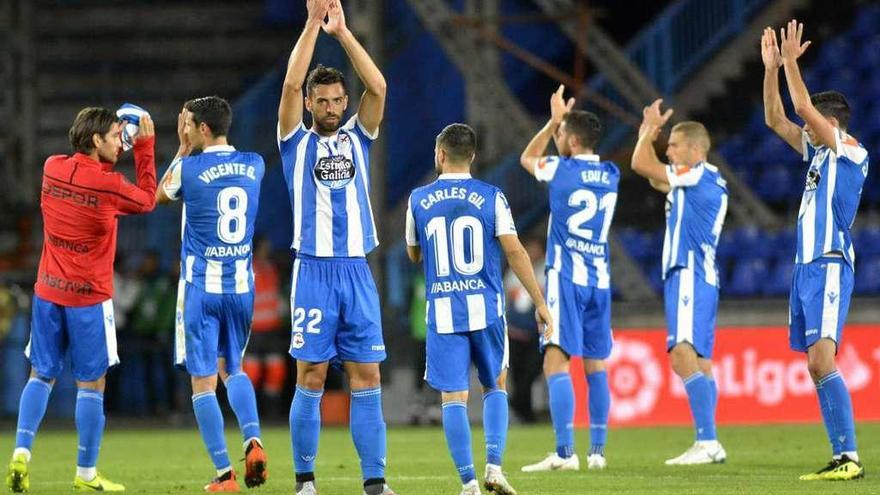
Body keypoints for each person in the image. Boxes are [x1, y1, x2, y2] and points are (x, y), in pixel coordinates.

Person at [5, 107, 157, 493]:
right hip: (88, 297)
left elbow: (89, 176)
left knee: (41, 375)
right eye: (114, 137)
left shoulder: (51, 167)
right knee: (92, 384)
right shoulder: (111, 185)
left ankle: (21, 452)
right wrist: (144, 146)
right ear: (95, 141)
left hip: (47, 291)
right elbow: (146, 201)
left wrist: (120, 140)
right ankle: (86, 472)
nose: (119, 142)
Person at [277, 1, 393, 494]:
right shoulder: (292, 142)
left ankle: (374, 483)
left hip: (356, 271)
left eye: (336, 100)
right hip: (313, 272)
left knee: (367, 375)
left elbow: (379, 87)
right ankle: (306, 481)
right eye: (321, 101)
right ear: (309, 104)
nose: (330, 108)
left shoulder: (358, 138)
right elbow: (287, 85)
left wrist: (343, 33)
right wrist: (310, 25)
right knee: (312, 375)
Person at [406, 123, 553, 495]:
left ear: (440, 155)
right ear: (472, 156)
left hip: (442, 312)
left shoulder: (418, 199)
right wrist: (539, 301)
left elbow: (413, 252)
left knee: (453, 397)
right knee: (495, 386)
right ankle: (494, 467)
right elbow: (515, 251)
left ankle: (468, 482)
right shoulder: (491, 196)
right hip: (485, 308)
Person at [761, 20, 867, 481]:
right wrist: (770, 71)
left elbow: (800, 104)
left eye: (813, 123)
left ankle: (849, 458)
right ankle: (841, 455)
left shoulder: (848, 149)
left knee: (823, 360)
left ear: (832, 122)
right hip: (805, 266)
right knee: (813, 364)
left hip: (828, 262)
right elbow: (775, 118)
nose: (804, 126)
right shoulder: (820, 153)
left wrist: (790, 64)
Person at [156, 96, 268, 492]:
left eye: (189, 125)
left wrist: (183, 148)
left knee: (203, 383)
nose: (185, 131)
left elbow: (157, 196)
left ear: (202, 129)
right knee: (233, 368)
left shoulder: (188, 167)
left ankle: (225, 474)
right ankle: (253, 441)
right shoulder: (255, 164)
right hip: (240, 288)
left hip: (201, 289)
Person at [519, 86, 619, 472]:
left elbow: (528, 157)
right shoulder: (611, 174)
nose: (557, 140)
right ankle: (597, 452)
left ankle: (564, 453)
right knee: (596, 365)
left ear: (571, 140)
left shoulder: (561, 168)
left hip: (566, 278)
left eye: (561, 135)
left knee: (555, 363)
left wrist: (552, 120)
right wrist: (563, 125)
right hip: (600, 280)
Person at [630, 99, 728, 465]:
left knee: (681, 353)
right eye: (666, 142)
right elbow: (656, 177)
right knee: (701, 362)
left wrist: (648, 131)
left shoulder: (697, 173)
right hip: (698, 274)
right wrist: (650, 137)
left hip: (689, 272)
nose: (667, 149)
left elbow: (641, 164)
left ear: (695, 149)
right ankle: (709, 442)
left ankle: (708, 441)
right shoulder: (698, 181)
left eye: (673, 143)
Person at [242, 237, 289, 419]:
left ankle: (272, 411)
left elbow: (276, 298)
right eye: (264, 247)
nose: (267, 251)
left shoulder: (271, 269)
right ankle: (249, 412)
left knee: (276, 370)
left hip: (272, 330)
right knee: (251, 372)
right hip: (253, 330)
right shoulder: (246, 268)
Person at [503, 237, 545, 424]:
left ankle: (517, 403)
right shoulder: (514, 269)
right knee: (517, 375)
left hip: (538, 333)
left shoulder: (547, 269)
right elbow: (511, 296)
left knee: (530, 373)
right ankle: (526, 415)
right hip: (515, 332)